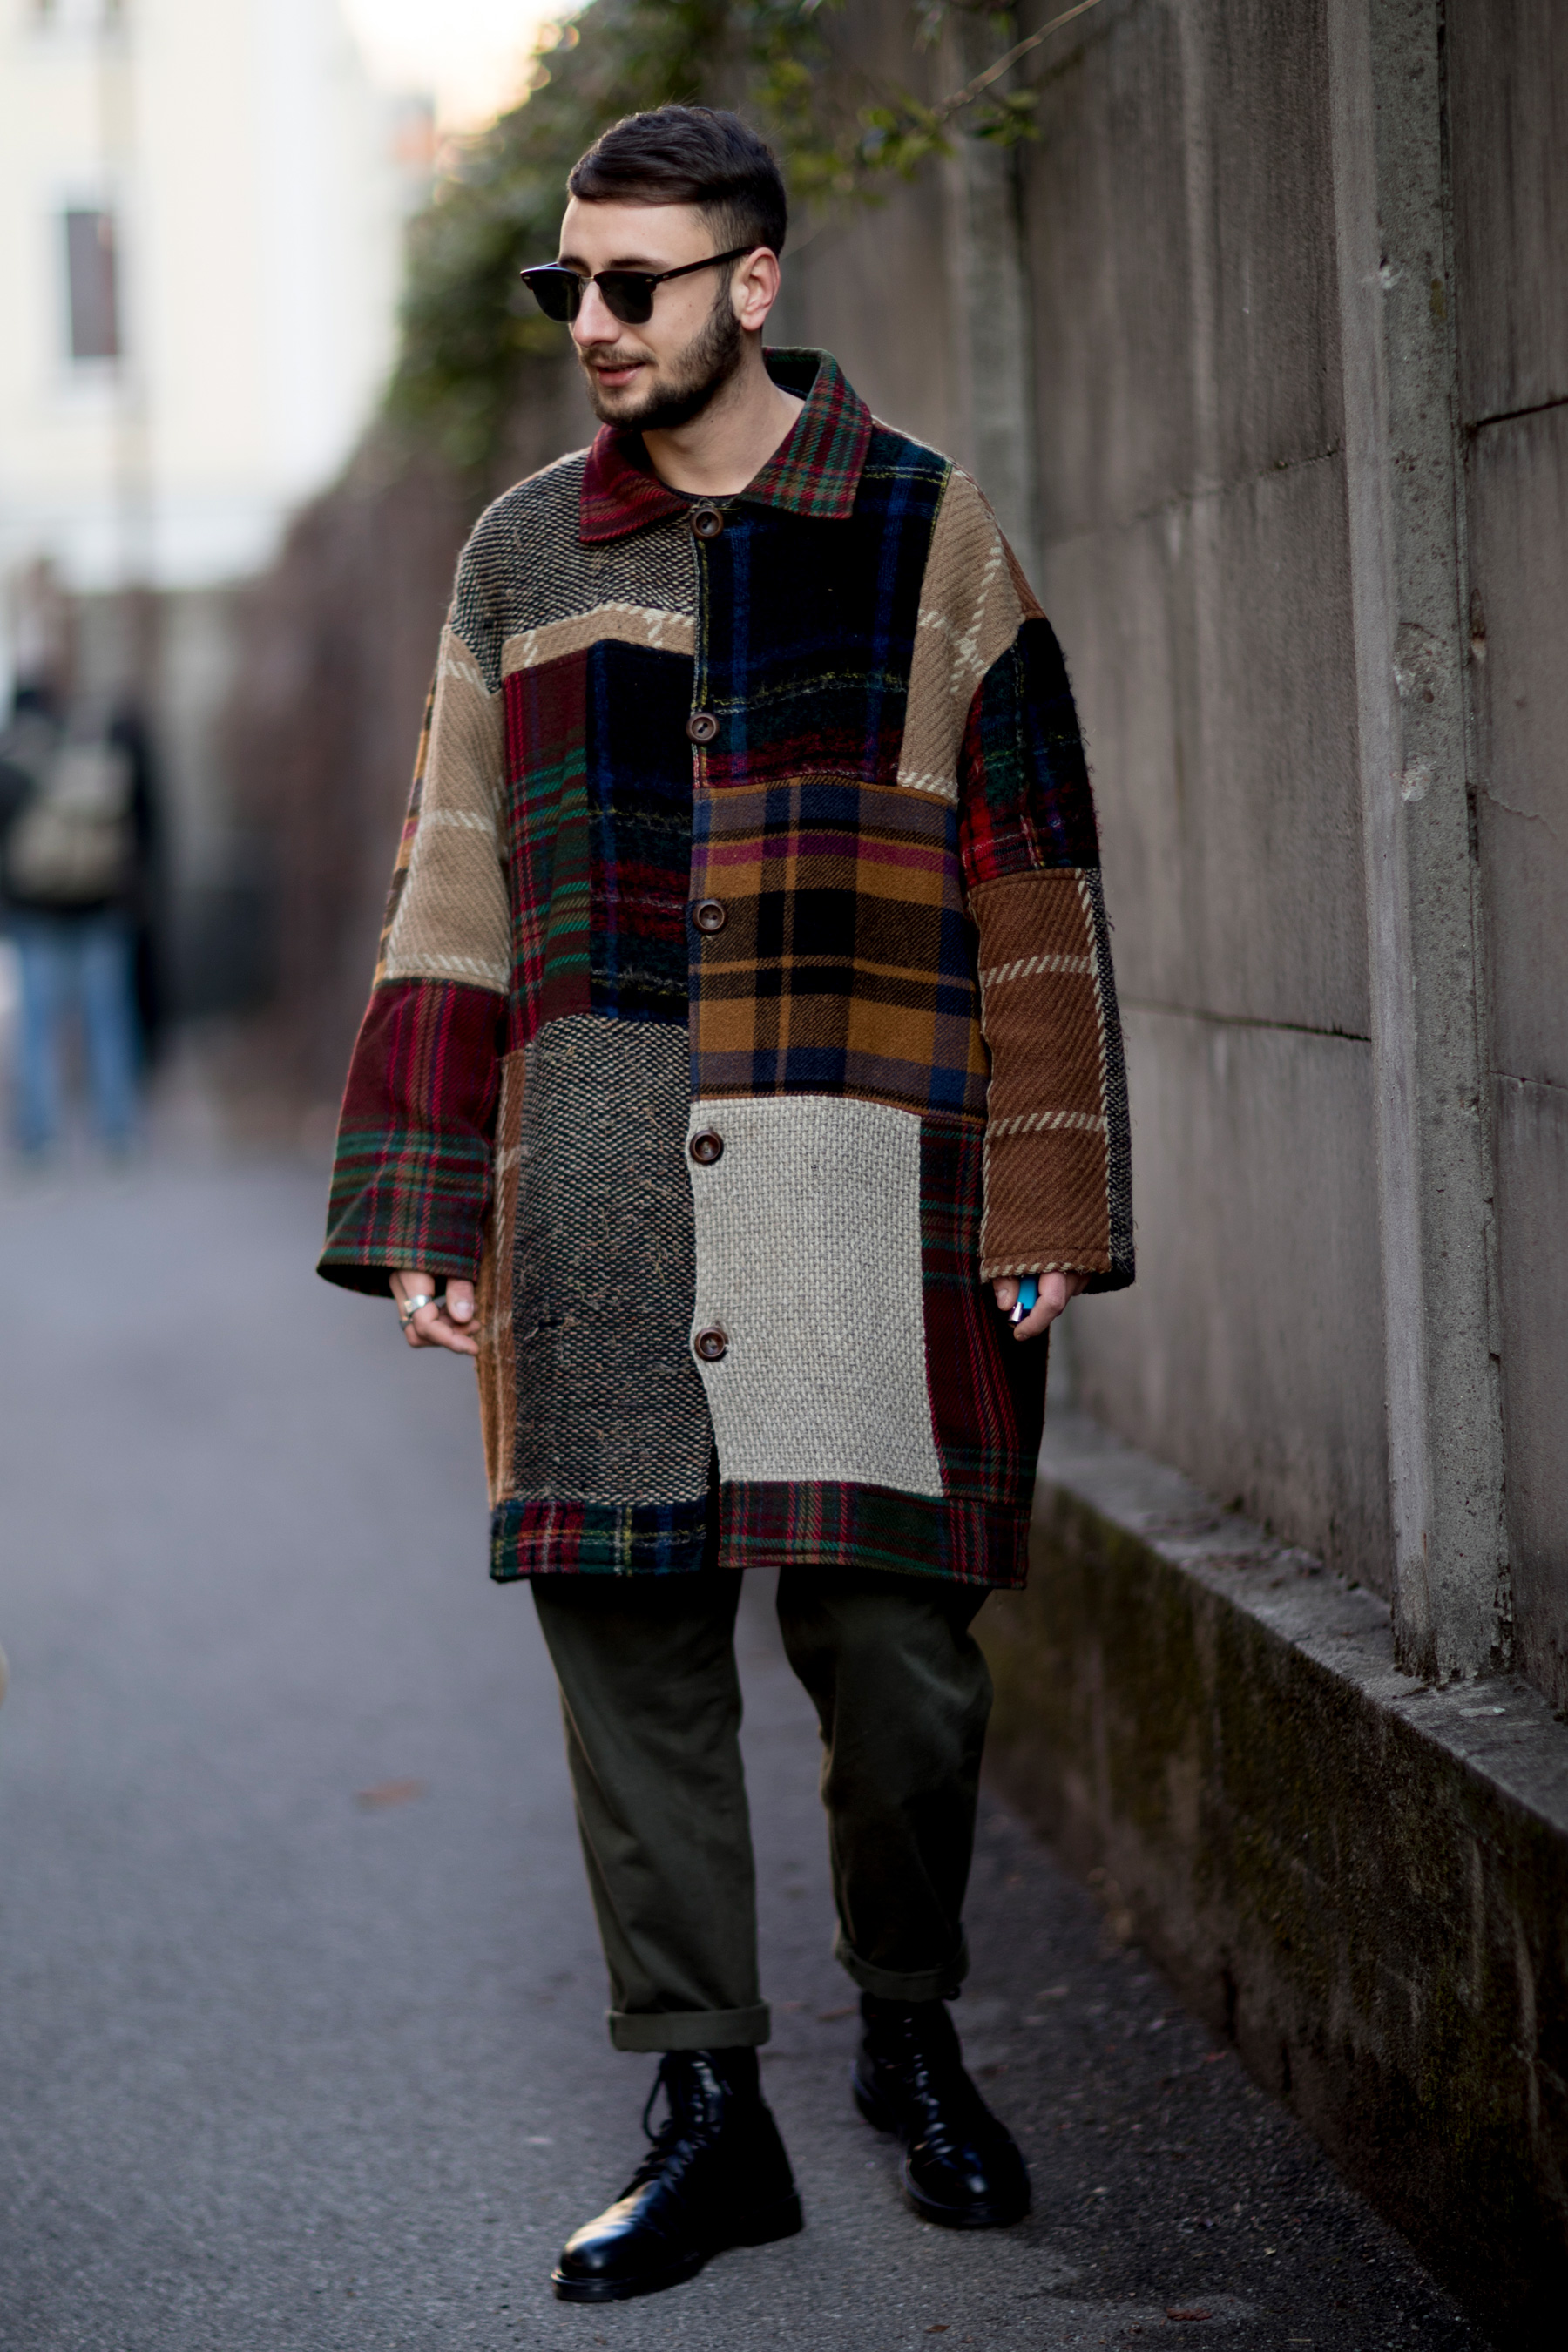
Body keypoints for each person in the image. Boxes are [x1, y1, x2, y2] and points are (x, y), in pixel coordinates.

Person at [319, 105, 1132, 2306]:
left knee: (903, 1655)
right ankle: (706, 2107)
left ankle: (909, 2025)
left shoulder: (922, 528)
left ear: (753, 283)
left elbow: (1034, 872)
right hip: (591, 1170)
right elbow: (450, 879)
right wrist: (427, 1195)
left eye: (632, 283)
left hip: (863, 1163)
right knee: (629, 1643)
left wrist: (1048, 1184)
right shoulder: (520, 554)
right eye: (563, 284)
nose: (589, 321)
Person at [0, 682, 152, 1160]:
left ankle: (40, 1137)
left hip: (35, 910)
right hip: (101, 905)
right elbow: (138, 826)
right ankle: (117, 1133)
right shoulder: (95, 749)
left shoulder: (14, 759)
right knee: (107, 1020)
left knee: (39, 1026)